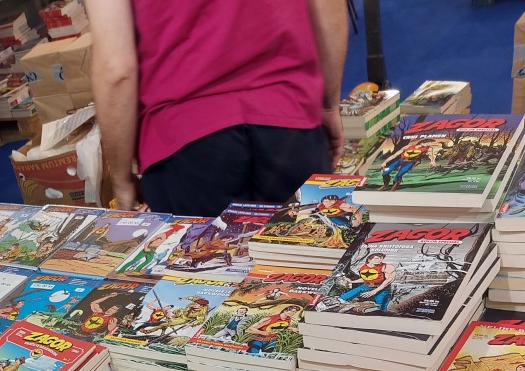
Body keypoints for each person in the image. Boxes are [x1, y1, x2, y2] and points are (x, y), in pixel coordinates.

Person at [88, 0, 345, 216]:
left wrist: (121, 179)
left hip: (185, 143)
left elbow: (116, 68)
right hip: (289, 119)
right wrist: (328, 106)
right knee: (318, 252)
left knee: (200, 258)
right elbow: (328, 7)